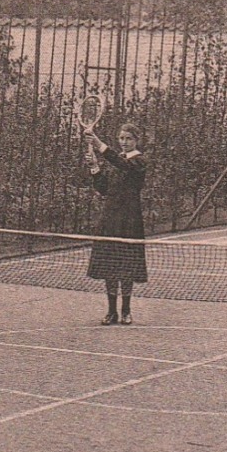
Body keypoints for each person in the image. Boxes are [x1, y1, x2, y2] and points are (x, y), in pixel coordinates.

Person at [81, 120, 149, 325]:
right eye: (121, 138)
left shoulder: (139, 162)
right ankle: (112, 312)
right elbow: (104, 189)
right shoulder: (116, 161)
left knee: (126, 266)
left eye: (129, 139)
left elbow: (124, 166)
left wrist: (100, 145)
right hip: (110, 218)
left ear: (137, 140)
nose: (124, 142)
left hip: (130, 220)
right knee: (110, 266)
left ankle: (126, 311)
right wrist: (94, 168)